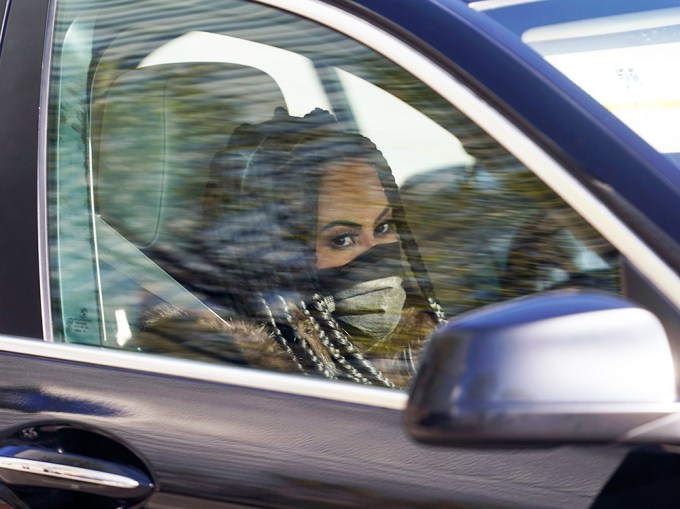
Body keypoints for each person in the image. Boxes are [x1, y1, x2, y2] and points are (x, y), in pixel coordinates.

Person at [140, 108, 445, 388]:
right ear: (276, 256)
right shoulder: (224, 371)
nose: (374, 250)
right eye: (342, 239)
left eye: (383, 228)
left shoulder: (431, 343)